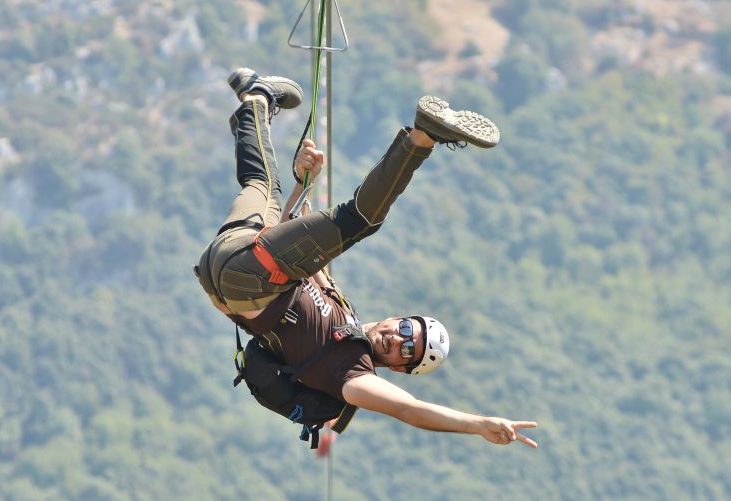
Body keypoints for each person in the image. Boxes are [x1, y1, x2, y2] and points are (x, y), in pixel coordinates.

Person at [195, 68, 537, 447]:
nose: (398, 341)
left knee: (361, 219)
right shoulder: (342, 310)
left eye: (408, 352)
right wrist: (302, 181)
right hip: (235, 261)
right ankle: (255, 98)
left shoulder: (353, 377)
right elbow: (291, 233)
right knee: (263, 186)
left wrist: (476, 424)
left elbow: (410, 410)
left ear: (398, 369)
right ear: (399, 318)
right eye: (407, 330)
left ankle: (423, 136)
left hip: (241, 279)